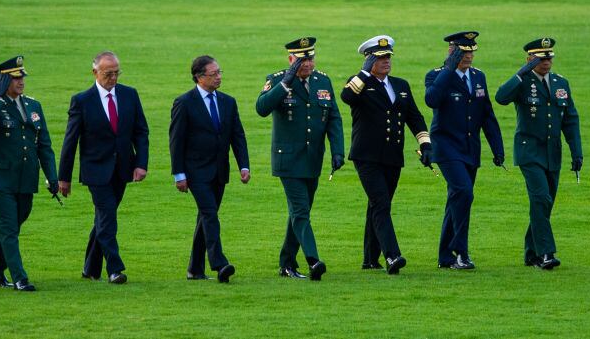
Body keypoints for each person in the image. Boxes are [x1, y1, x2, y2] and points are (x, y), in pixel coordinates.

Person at [255, 37, 344, 281]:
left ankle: (286, 263)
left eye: (310, 58)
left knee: (298, 213)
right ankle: (313, 260)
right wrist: (284, 84)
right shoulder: (277, 80)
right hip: (288, 161)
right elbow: (261, 108)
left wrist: (338, 150)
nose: (307, 64)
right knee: (301, 212)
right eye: (302, 59)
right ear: (291, 60)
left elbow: (333, 117)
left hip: (313, 159)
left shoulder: (322, 80)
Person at [341, 35, 431, 275]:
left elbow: (414, 117)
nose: (386, 61)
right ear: (369, 59)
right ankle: (392, 255)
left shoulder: (400, 85)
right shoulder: (358, 83)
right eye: (379, 58)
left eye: (388, 57)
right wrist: (364, 73)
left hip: (392, 157)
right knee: (381, 204)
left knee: (379, 204)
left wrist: (425, 144)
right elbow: (347, 98)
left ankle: (370, 259)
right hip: (366, 156)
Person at [58, 51, 150, 284]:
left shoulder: (130, 95)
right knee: (107, 217)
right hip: (95, 171)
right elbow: (70, 141)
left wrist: (141, 164)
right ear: (95, 72)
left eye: (117, 73)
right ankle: (115, 269)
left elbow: (141, 132)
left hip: (122, 169)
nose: (114, 78)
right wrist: (63, 178)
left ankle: (90, 268)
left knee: (103, 218)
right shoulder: (82, 100)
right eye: (109, 73)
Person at [495, 37, 583, 270]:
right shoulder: (522, 82)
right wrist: (522, 72)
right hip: (529, 152)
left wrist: (577, 152)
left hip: (552, 153)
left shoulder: (560, 82)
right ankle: (546, 253)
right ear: (529, 59)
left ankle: (530, 251)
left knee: (545, 204)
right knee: (540, 198)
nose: (546, 62)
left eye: (549, 57)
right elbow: (501, 97)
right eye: (540, 58)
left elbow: (570, 120)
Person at [424, 31, 505, 270]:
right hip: (446, 147)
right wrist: (449, 69)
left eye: (471, 51)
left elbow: (487, 115)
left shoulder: (479, 77)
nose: (468, 56)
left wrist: (497, 147)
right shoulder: (437, 75)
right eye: (463, 51)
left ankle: (445, 256)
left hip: (470, 149)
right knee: (464, 192)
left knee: (456, 198)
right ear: (451, 51)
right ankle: (461, 251)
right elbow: (432, 100)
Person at [0, 55, 58, 292]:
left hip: (26, 178)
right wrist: (0, 98)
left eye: (22, 76)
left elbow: (44, 145)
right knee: (9, 229)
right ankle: (20, 277)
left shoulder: (33, 105)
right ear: (4, 81)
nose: (21, 81)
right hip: (0, 178)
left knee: (16, 222)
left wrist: (52, 176)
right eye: (15, 78)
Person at [168, 55, 250, 283]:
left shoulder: (228, 102)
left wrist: (243, 165)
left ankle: (194, 269)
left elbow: (238, 136)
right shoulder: (184, 102)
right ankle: (220, 263)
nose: (219, 77)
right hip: (195, 173)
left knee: (205, 217)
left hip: (220, 171)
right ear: (199, 77)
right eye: (214, 74)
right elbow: (176, 140)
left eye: (220, 72)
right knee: (210, 215)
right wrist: (179, 174)